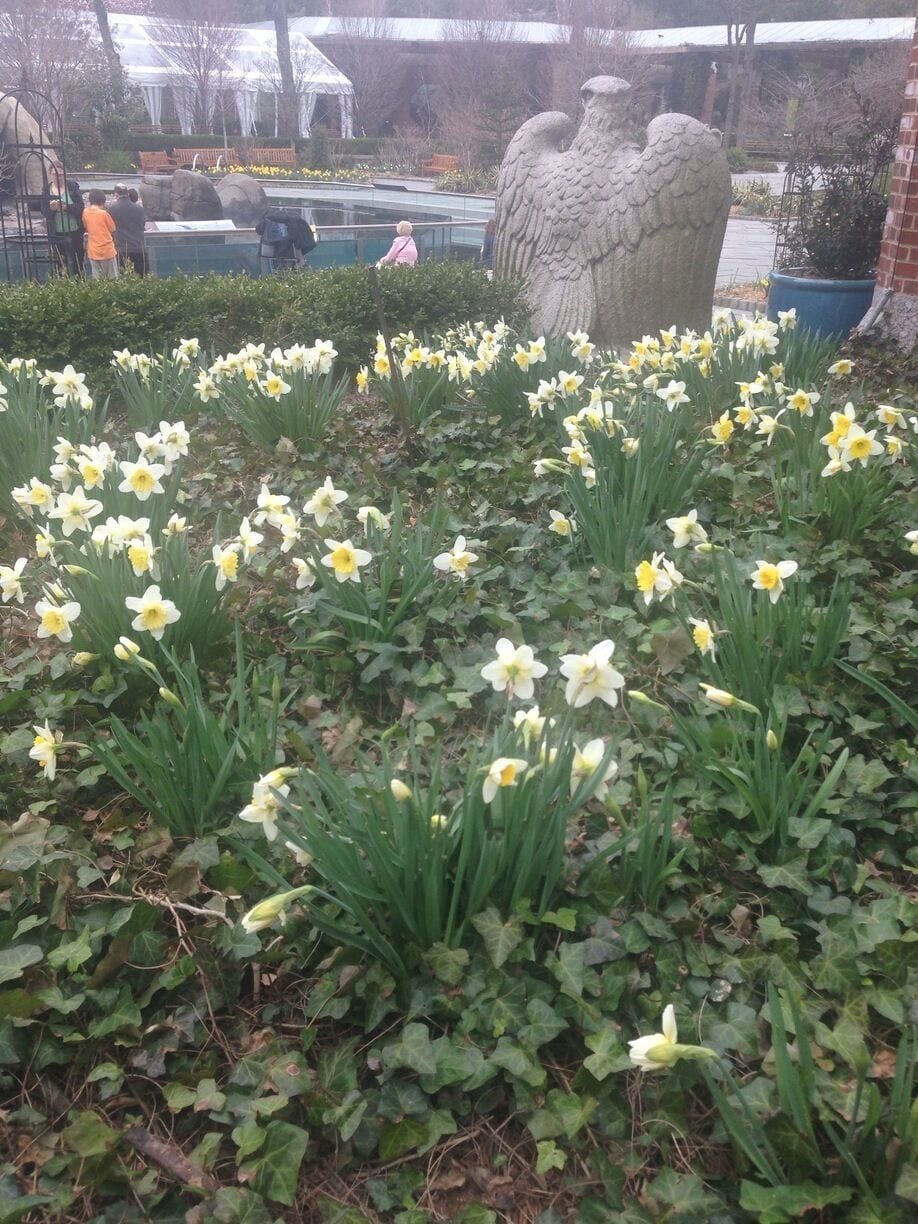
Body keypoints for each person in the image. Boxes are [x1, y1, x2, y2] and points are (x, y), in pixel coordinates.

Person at [45, 169, 84, 275]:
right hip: (57, 233)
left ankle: (80, 284)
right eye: (54, 174)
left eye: (61, 174)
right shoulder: (46, 189)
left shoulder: (72, 186)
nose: (58, 177)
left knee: (78, 262)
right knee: (61, 263)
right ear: (50, 175)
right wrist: (51, 209)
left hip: (74, 231)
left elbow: (81, 207)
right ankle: (62, 285)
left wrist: (67, 207)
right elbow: (43, 211)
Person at [108, 182, 147, 275]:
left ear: (116, 195)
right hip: (138, 248)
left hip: (121, 249)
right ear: (127, 193)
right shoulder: (139, 208)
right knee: (141, 277)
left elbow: (109, 228)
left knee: (124, 278)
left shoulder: (112, 209)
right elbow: (142, 225)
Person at [82, 188, 119, 279]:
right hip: (107, 250)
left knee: (97, 279)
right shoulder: (103, 214)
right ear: (103, 201)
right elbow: (112, 229)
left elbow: (86, 226)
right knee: (112, 278)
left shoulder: (85, 212)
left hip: (93, 250)